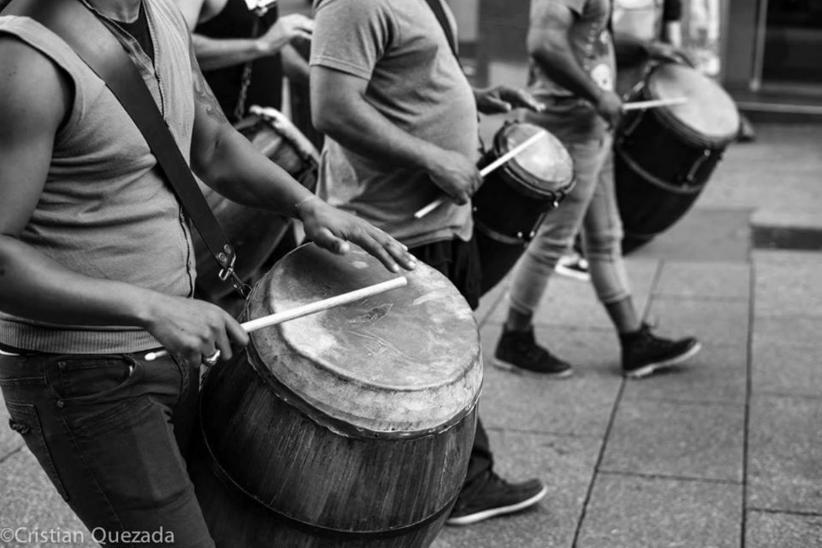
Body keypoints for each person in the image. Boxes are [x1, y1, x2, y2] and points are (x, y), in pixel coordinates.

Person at [0, 0, 415, 544]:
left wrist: (306, 205)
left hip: (176, 351)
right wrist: (149, 306)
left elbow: (213, 144)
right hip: (82, 375)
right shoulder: (25, 60)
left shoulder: (163, 15)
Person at [309, 0, 547, 527]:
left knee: (442, 358)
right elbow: (331, 108)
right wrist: (432, 157)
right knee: (417, 365)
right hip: (394, 224)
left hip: (441, 219)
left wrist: (473, 99)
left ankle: (453, 480)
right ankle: (459, 484)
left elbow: (401, 80)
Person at [492, 0, 702, 379]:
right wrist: (597, 94)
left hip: (590, 125)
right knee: (554, 240)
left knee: (605, 237)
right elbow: (544, 43)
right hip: (570, 125)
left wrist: (645, 50)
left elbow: (586, 38)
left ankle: (634, 341)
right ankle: (514, 337)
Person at [175, 0, 313, 122]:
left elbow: (272, 43)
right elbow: (176, 44)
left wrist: (317, 80)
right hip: (219, 135)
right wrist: (261, 45)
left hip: (265, 130)